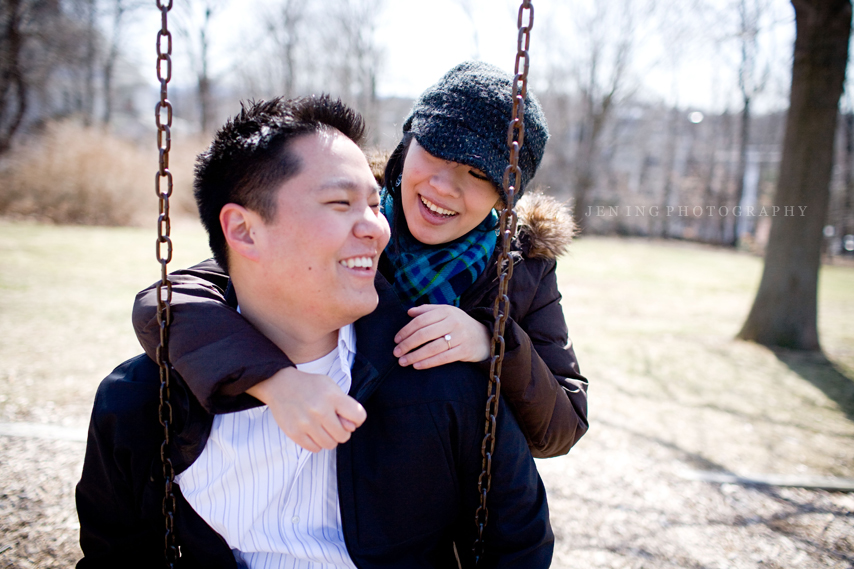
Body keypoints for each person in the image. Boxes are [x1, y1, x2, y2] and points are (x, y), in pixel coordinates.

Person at [76, 95, 553, 568]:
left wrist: (494, 342)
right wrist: (274, 380)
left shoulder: (447, 383)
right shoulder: (143, 402)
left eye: (371, 205)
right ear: (242, 231)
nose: (377, 228)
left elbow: (519, 545)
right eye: (340, 202)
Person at [132, 61, 589, 459]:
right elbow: (169, 303)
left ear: (503, 197)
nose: (445, 187)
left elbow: (562, 428)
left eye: (478, 175)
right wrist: (274, 381)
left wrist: (493, 341)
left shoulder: (522, 270)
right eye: (436, 153)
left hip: (420, 500)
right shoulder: (348, 219)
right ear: (408, 143)